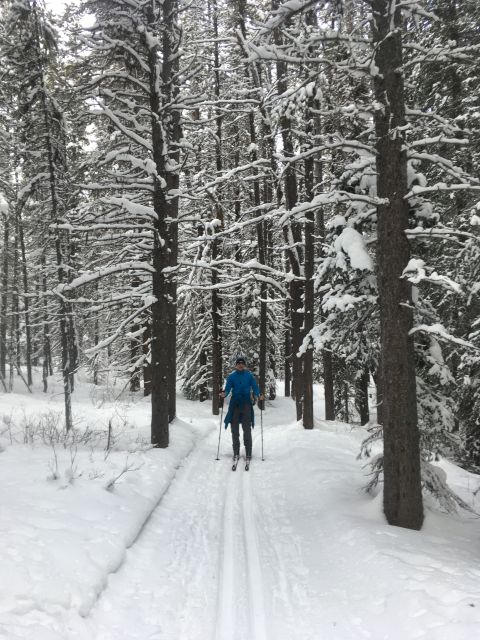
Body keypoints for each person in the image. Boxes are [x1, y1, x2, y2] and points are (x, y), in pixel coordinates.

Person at [220, 356, 263, 464]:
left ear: (244, 365)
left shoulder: (249, 376)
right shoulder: (231, 377)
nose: (240, 365)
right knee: (234, 430)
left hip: (246, 404)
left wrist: (259, 394)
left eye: (242, 363)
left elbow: (255, 387)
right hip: (234, 405)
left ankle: (248, 452)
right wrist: (224, 393)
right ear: (236, 365)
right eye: (238, 363)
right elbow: (228, 388)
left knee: (247, 430)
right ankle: (236, 452)